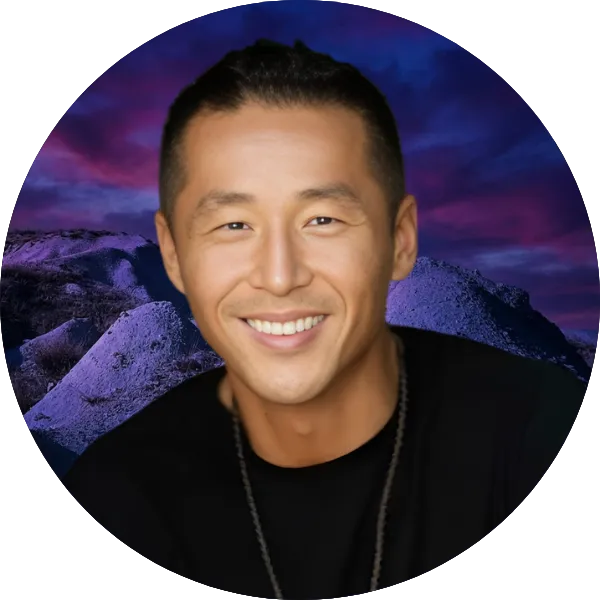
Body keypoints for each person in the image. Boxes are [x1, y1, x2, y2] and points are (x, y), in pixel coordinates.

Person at [61, 39, 587, 598]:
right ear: (173, 255)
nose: (279, 276)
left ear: (400, 240)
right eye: (234, 225)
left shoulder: (537, 434)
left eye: (323, 219)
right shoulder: (115, 492)